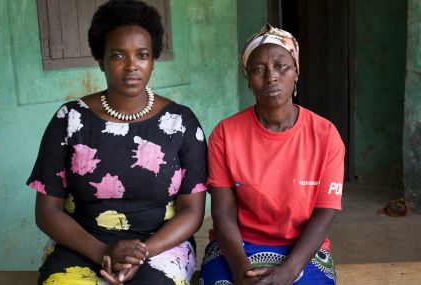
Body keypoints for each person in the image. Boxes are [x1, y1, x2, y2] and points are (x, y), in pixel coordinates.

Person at [26, 1, 207, 284]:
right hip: (83, 244)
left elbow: (193, 211)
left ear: (153, 60)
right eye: (119, 55)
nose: (132, 65)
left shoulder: (180, 123)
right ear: (101, 60)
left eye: (142, 55)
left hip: (159, 246)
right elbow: (47, 211)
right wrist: (102, 252)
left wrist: (142, 252)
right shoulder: (70, 120)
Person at [199, 24, 345, 285]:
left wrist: (289, 271)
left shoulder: (325, 135)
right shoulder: (225, 133)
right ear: (247, 78)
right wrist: (240, 268)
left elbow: (325, 213)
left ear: (296, 72)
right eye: (258, 69)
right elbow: (222, 213)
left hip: (303, 250)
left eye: (281, 66)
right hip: (237, 247)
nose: (271, 77)